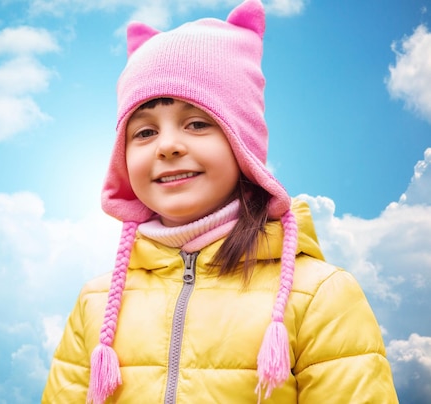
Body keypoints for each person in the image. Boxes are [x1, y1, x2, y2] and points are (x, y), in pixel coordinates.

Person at [42, 0, 398, 402]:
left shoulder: (320, 295)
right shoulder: (98, 302)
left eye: (197, 124)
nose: (168, 146)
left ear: (243, 143)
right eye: (143, 132)